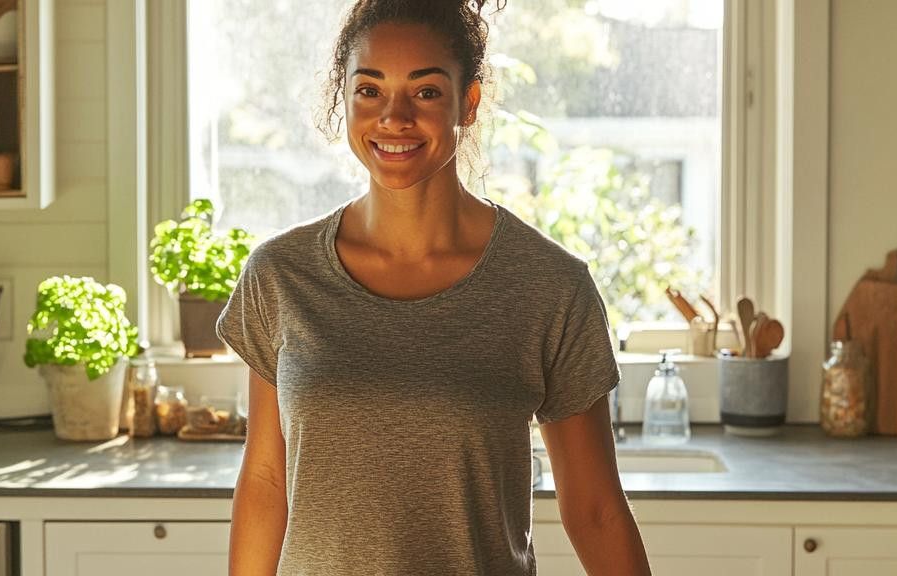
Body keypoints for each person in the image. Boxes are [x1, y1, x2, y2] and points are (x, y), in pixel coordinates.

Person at [217, 1, 652, 574]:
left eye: (424, 92)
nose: (393, 117)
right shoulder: (281, 275)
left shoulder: (548, 286)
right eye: (369, 90)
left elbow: (595, 510)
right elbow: (267, 481)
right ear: (343, 98)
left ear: (466, 103)